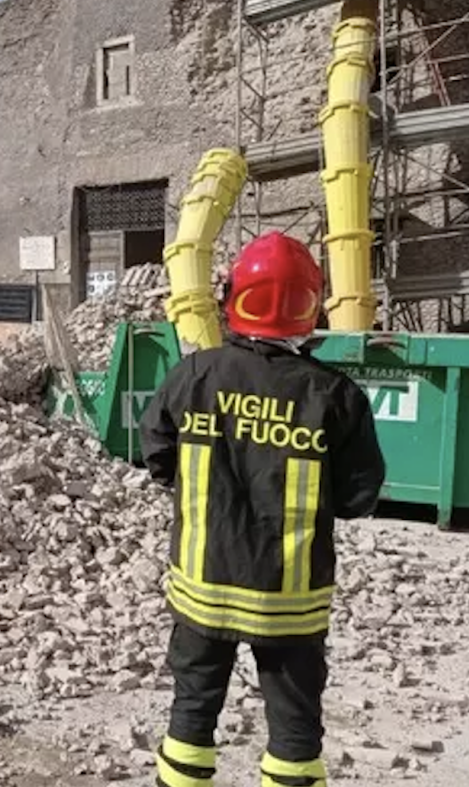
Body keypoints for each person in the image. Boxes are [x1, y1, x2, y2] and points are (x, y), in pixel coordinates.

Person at [139, 232, 386, 787]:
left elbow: (156, 458)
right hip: (291, 604)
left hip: (204, 592)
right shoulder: (335, 394)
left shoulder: (194, 376)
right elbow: (358, 496)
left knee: (191, 716)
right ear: (309, 306)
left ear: (235, 298)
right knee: (295, 734)